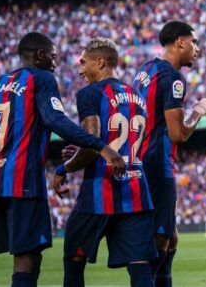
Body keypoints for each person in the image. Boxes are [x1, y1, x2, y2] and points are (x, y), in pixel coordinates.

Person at [0, 32, 125, 287]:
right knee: (26, 259)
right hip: (23, 181)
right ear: (39, 55)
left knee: (28, 258)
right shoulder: (42, 78)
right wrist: (100, 146)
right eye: (52, 56)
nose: (55, 62)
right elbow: (55, 120)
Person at [52, 38, 156, 286]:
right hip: (136, 193)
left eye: (83, 63)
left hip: (99, 193)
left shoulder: (90, 93)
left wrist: (63, 168)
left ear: (99, 62)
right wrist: (82, 150)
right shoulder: (136, 95)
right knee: (140, 267)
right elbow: (118, 141)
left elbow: (94, 143)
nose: (80, 70)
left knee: (73, 259)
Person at [132, 21, 206, 286]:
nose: (197, 48)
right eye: (194, 42)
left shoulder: (146, 69)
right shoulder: (173, 77)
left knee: (171, 236)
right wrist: (199, 111)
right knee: (160, 238)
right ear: (180, 41)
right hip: (157, 164)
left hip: (140, 160)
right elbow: (179, 134)